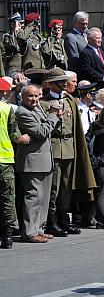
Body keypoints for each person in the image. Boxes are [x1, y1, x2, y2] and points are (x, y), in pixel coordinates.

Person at [42, 67, 97, 235]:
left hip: (69, 147)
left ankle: (63, 219)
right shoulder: (44, 103)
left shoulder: (69, 101)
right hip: (54, 146)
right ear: (52, 84)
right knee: (54, 188)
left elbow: (76, 129)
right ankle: (51, 222)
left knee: (66, 187)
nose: (65, 83)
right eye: (61, 81)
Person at [16, 84, 61, 243]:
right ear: (22, 97)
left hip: (45, 160)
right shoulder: (22, 112)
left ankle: (39, 229)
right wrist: (53, 116)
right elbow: (41, 132)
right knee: (33, 197)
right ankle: (29, 232)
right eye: (30, 96)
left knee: (43, 199)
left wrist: (54, 117)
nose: (34, 99)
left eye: (36, 96)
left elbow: (47, 129)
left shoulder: (38, 109)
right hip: (32, 162)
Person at [0, 77, 25, 249]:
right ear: (4, 92)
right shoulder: (7, 109)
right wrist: (23, 138)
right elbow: (14, 134)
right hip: (5, 160)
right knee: (7, 198)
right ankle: (7, 236)